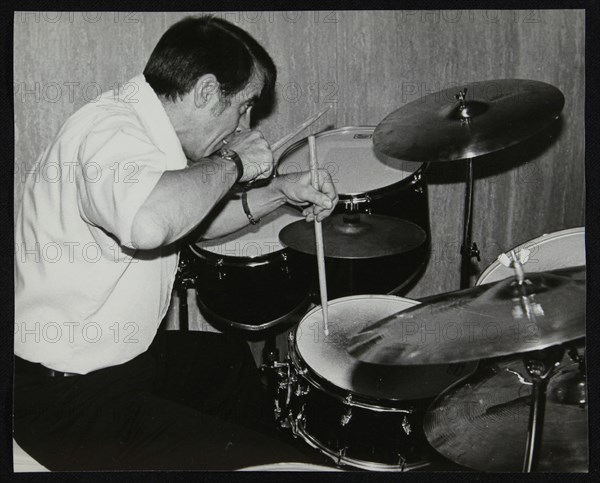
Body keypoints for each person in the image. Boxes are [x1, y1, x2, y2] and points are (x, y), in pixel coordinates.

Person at [14, 15, 338, 471]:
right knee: (260, 462)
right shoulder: (111, 134)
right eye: (244, 105)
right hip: (65, 397)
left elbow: (185, 220)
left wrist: (282, 191)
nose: (246, 123)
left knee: (225, 360)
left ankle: (280, 455)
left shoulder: (143, 128)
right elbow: (149, 224)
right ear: (206, 91)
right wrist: (234, 161)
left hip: (120, 362)